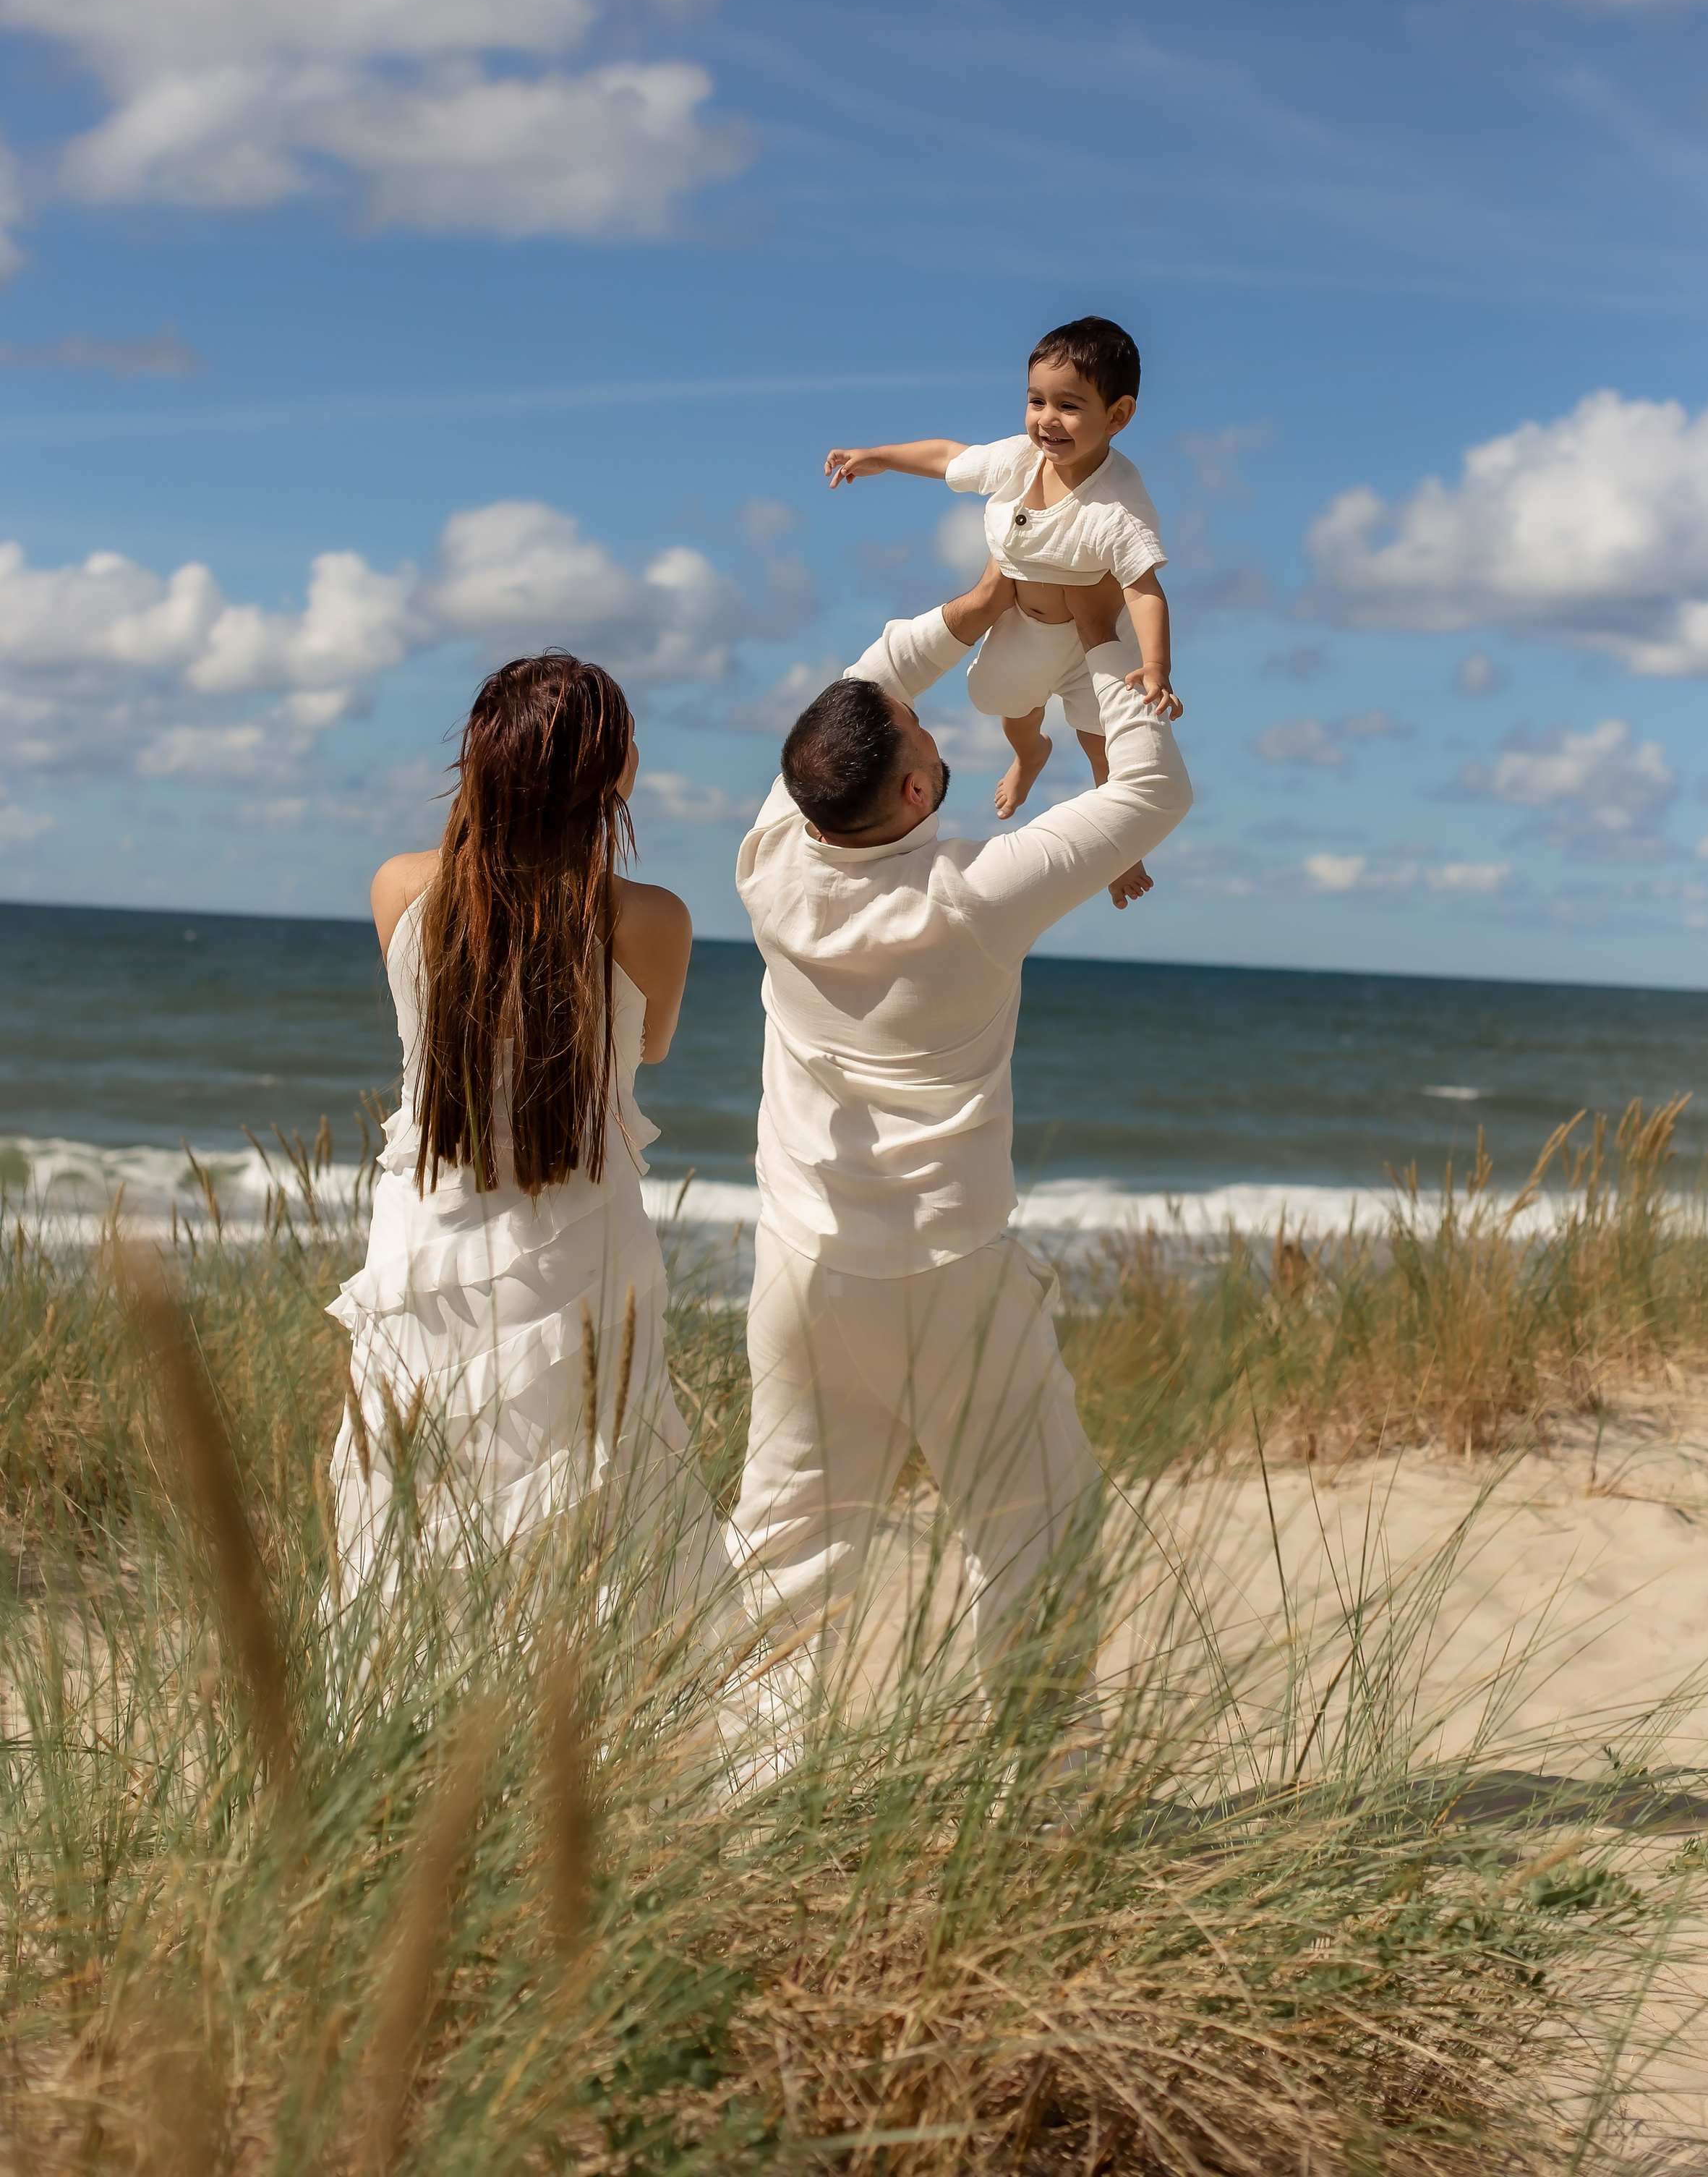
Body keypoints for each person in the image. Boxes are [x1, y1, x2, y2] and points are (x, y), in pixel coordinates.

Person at [725, 561, 1192, 1752]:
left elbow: (863, 688)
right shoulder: (972, 895)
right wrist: (1099, 644)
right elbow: (1154, 789)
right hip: (947, 1279)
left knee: (788, 1546)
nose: (929, 717)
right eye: (927, 732)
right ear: (926, 782)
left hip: (799, 1266)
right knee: (1040, 1526)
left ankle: (755, 1796)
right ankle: (1032, 1781)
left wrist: (977, 608)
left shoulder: (771, 862)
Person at [327, 652, 727, 1627]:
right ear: (610, 775)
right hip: (586, 1236)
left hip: (430, 1235)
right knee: (600, 1497)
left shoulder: (400, 890)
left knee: (418, 1502)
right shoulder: (651, 919)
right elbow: (654, 1046)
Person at [822, 317, 1177, 911]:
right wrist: (878, 456)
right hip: (1029, 629)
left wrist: (1156, 666)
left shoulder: (1119, 505)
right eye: (1036, 400)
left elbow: (1145, 588)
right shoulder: (1017, 461)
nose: (1046, 419)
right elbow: (949, 457)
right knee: (1009, 708)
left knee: (1103, 750)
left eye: (1069, 406)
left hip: (1094, 642)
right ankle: (1030, 753)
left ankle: (1123, 853)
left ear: (1118, 416)